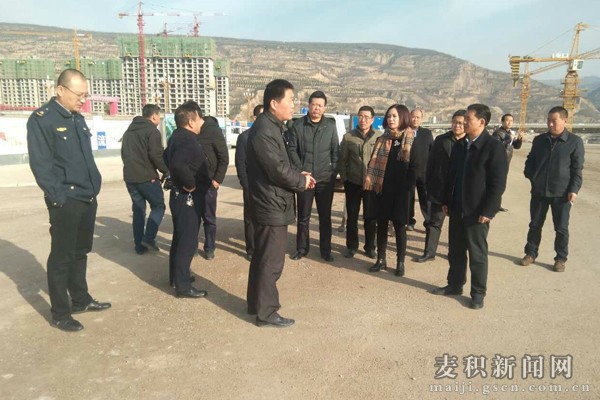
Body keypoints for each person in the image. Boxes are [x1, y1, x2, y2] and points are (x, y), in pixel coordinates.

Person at [27, 68, 110, 332]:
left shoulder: (77, 118)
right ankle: (60, 313)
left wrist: (94, 185)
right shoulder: (42, 120)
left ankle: (81, 299)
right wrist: (58, 197)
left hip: (87, 196)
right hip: (66, 199)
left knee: (80, 251)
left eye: (85, 95)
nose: (82, 100)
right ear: (60, 90)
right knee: (61, 257)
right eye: (78, 94)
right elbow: (41, 165)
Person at [246, 79, 315, 327]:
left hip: (271, 201)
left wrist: (298, 174)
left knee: (262, 257)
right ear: (274, 104)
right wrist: (301, 181)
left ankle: (256, 305)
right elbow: (276, 170)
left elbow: (280, 164)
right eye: (290, 100)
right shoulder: (265, 130)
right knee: (271, 261)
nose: (294, 104)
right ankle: (266, 313)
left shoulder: (272, 127)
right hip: (271, 204)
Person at [432, 103, 508, 310]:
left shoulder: (493, 148)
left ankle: (478, 293)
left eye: (468, 119)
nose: (464, 122)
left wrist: (489, 210)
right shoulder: (460, 145)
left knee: (477, 254)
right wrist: (446, 201)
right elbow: (451, 177)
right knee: (455, 250)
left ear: (481, 122)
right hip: (457, 207)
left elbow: (497, 183)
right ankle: (454, 284)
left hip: (477, 211)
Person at [520, 106, 584, 272]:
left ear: (564, 121)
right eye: (548, 120)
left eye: (554, 121)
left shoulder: (574, 142)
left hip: (562, 193)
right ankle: (530, 253)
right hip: (539, 191)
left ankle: (560, 258)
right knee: (535, 225)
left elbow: (577, 169)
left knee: (561, 228)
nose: (550, 124)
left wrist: (574, 189)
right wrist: (532, 177)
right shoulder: (539, 140)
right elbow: (530, 161)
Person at [163, 101, 209, 298]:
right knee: (188, 242)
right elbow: (178, 164)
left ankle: (177, 277)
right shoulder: (187, 139)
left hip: (179, 196)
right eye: (200, 118)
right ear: (191, 121)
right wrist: (190, 183)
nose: (202, 122)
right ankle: (182, 286)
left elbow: (166, 156)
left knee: (180, 238)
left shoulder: (177, 136)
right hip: (187, 197)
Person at [287, 90, 339, 262]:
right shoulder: (298, 125)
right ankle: (302, 248)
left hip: (325, 180)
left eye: (320, 105)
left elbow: (335, 151)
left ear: (324, 108)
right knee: (303, 217)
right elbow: (292, 150)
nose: (316, 108)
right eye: (314, 104)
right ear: (308, 105)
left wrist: (332, 173)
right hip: (305, 179)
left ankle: (326, 250)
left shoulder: (330, 126)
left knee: (325, 217)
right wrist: (300, 171)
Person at [364, 104, 415, 277]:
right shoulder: (382, 139)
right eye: (389, 116)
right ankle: (381, 259)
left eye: (394, 116)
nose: (391, 119)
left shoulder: (410, 139)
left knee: (400, 226)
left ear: (403, 118)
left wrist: (407, 189)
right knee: (382, 225)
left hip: (401, 191)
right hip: (382, 189)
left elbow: (415, 168)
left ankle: (400, 262)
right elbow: (372, 163)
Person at [416, 110, 466, 263]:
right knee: (434, 222)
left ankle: (454, 253)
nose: (457, 125)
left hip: (459, 191)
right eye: (454, 122)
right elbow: (431, 163)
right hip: (440, 189)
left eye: (460, 123)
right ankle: (429, 252)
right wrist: (429, 184)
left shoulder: (469, 143)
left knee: (457, 226)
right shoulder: (441, 140)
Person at [121, 104, 170, 254]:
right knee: (158, 206)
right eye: (159, 116)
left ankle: (139, 246)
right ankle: (148, 238)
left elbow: (124, 154)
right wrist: (166, 171)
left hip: (130, 178)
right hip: (147, 178)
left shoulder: (128, 132)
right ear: (154, 116)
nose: (159, 119)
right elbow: (156, 155)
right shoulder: (152, 131)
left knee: (138, 210)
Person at [338, 105, 382, 259]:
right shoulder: (348, 137)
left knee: (370, 217)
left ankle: (370, 247)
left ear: (372, 120)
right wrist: (345, 178)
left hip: (371, 184)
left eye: (366, 117)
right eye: (360, 116)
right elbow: (342, 160)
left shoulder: (379, 137)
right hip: (353, 182)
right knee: (352, 217)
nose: (363, 120)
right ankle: (352, 246)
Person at [196, 111, 229, 260]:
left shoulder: (213, 132)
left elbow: (224, 158)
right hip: (191, 183)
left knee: (209, 218)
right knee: (193, 218)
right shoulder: (191, 131)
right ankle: (192, 247)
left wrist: (217, 180)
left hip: (209, 184)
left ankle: (209, 247)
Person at [235, 104, 264, 261]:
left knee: (265, 218)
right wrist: (246, 184)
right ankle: (251, 250)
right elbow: (240, 163)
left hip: (267, 186)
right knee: (251, 219)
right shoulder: (244, 137)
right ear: (254, 118)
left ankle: (263, 247)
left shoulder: (272, 136)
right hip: (251, 185)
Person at [408, 108, 434, 231]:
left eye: (418, 117)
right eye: (413, 117)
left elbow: (432, 151)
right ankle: (409, 221)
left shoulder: (427, 133)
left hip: (424, 172)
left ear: (421, 119)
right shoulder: (404, 132)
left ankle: (428, 222)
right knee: (409, 199)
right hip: (408, 172)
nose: (415, 119)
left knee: (425, 199)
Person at [492, 113, 523, 212]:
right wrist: (508, 139)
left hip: (506, 162)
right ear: (502, 121)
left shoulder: (510, 133)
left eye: (511, 121)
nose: (509, 122)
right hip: (498, 162)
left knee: (501, 184)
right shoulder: (497, 133)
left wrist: (519, 139)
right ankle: (493, 204)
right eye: (507, 120)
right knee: (496, 183)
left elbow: (516, 146)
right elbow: (496, 147)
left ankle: (497, 204)